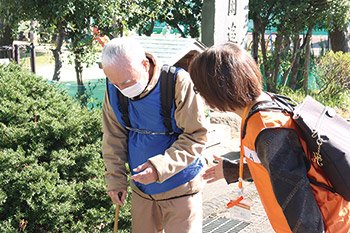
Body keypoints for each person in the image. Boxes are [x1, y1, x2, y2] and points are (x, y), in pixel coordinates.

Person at [189, 42, 350, 233]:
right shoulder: (266, 104)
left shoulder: (268, 129)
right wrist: (234, 170)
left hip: (326, 226)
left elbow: (299, 202)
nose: (200, 96)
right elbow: (279, 167)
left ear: (217, 89)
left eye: (199, 90)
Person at [101, 37, 208, 233]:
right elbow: (112, 136)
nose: (123, 90)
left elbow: (196, 136)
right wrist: (115, 179)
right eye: (116, 84)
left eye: (126, 82)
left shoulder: (177, 82)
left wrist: (159, 167)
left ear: (144, 64)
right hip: (142, 192)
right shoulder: (114, 88)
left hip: (181, 188)